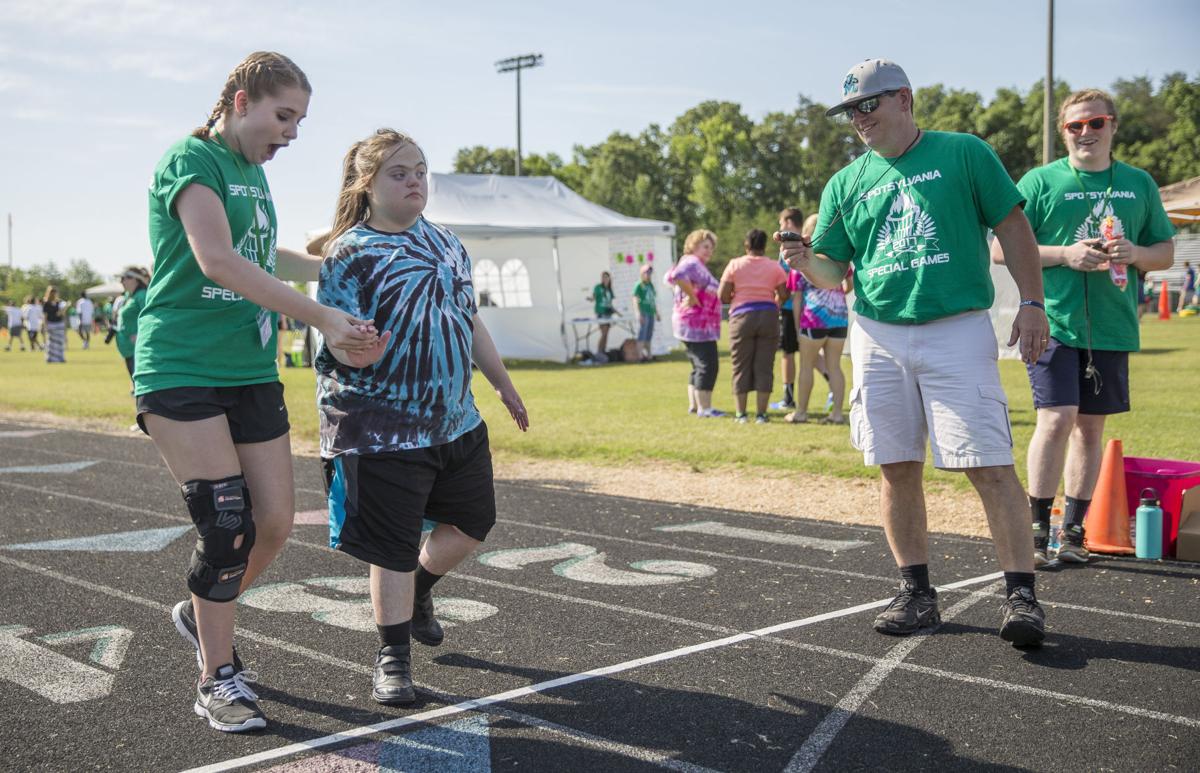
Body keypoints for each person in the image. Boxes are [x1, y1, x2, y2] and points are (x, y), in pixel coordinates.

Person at [140, 51, 381, 733]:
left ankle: (201, 612)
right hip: (182, 366)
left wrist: (338, 261)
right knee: (226, 524)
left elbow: (261, 255)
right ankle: (217, 676)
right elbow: (217, 259)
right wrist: (323, 317)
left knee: (272, 524)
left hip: (248, 370)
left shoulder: (252, 172)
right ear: (241, 101)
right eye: (284, 116)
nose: (292, 134)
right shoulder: (191, 159)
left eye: (299, 120)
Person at [781, 59, 1050, 648]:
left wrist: (1033, 302)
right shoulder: (845, 182)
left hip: (956, 327)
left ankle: (1022, 596)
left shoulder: (964, 152)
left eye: (867, 105)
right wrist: (804, 261)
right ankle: (916, 592)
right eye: (850, 111)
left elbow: (1013, 228)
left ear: (904, 98)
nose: (858, 119)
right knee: (896, 465)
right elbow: (833, 269)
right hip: (878, 334)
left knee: (989, 465)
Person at [314, 128, 528, 706]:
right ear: (367, 184)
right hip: (379, 428)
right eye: (399, 173)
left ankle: (418, 589)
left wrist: (502, 383)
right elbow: (334, 336)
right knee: (392, 546)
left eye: (420, 171)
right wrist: (355, 351)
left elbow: (469, 318)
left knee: (473, 523)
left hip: (455, 420)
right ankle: (392, 660)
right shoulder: (350, 251)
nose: (415, 182)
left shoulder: (448, 242)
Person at [992, 88, 1175, 566]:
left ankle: (1073, 534)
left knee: (1090, 429)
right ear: (1063, 132)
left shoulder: (1138, 183)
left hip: (1113, 326)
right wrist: (1065, 254)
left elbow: (1165, 252)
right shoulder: (1040, 180)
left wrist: (1136, 253)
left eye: (1096, 123)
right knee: (1056, 419)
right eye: (1075, 125)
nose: (1086, 132)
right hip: (1052, 319)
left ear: (1113, 126)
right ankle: (1036, 532)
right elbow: (999, 248)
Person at [720, 229, 788, 424]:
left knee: (740, 365)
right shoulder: (774, 267)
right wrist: (774, 303)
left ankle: (741, 414)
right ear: (765, 246)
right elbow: (784, 294)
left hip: (741, 317)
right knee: (765, 366)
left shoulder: (735, 264)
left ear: (746, 245)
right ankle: (761, 414)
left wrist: (736, 298)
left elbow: (722, 295)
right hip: (768, 316)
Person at [788, 213, 850, 425]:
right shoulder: (838, 256)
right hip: (839, 318)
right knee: (835, 367)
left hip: (813, 319)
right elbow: (849, 285)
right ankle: (837, 414)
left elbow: (797, 299)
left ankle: (801, 413)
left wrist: (797, 327)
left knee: (806, 366)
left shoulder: (800, 259)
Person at [666, 229, 724, 417]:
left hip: (693, 325)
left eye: (711, 248)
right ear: (693, 245)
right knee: (708, 366)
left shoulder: (693, 263)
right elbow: (676, 275)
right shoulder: (691, 262)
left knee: (698, 365)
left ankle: (695, 405)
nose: (709, 251)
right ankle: (705, 408)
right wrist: (691, 296)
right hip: (697, 325)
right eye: (705, 246)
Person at [771, 208, 804, 410]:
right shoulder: (811, 241)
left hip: (791, 307)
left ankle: (788, 398)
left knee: (787, 352)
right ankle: (832, 391)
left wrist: (777, 300)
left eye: (782, 223)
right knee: (811, 352)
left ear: (789, 223)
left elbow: (782, 280)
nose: (781, 227)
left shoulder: (788, 247)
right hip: (812, 309)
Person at [115, 267, 150, 387]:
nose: (121, 281)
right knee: (135, 385)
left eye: (124, 278)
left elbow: (150, 317)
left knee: (140, 385)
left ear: (135, 279)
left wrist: (140, 334)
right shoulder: (128, 296)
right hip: (128, 349)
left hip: (138, 348)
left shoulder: (142, 295)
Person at [632, 264, 659, 361]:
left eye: (649, 273)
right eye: (646, 273)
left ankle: (649, 355)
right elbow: (635, 299)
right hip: (643, 312)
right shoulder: (639, 285)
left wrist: (656, 313)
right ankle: (640, 356)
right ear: (642, 273)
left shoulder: (650, 285)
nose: (648, 275)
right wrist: (638, 313)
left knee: (649, 335)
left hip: (651, 312)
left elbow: (652, 300)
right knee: (642, 334)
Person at [589, 271, 619, 355]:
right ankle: (599, 352)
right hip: (601, 313)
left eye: (606, 277)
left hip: (608, 313)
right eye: (603, 277)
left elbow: (610, 304)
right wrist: (591, 299)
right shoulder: (598, 287)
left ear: (609, 278)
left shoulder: (609, 289)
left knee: (606, 334)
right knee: (604, 333)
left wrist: (617, 313)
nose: (604, 279)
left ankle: (603, 351)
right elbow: (594, 297)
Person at [42, 286, 66, 363]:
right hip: (51, 324)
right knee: (51, 343)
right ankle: (50, 358)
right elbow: (45, 315)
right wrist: (45, 325)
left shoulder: (59, 303)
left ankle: (60, 358)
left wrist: (62, 311)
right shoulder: (46, 303)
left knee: (59, 342)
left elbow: (62, 314)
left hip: (59, 323)